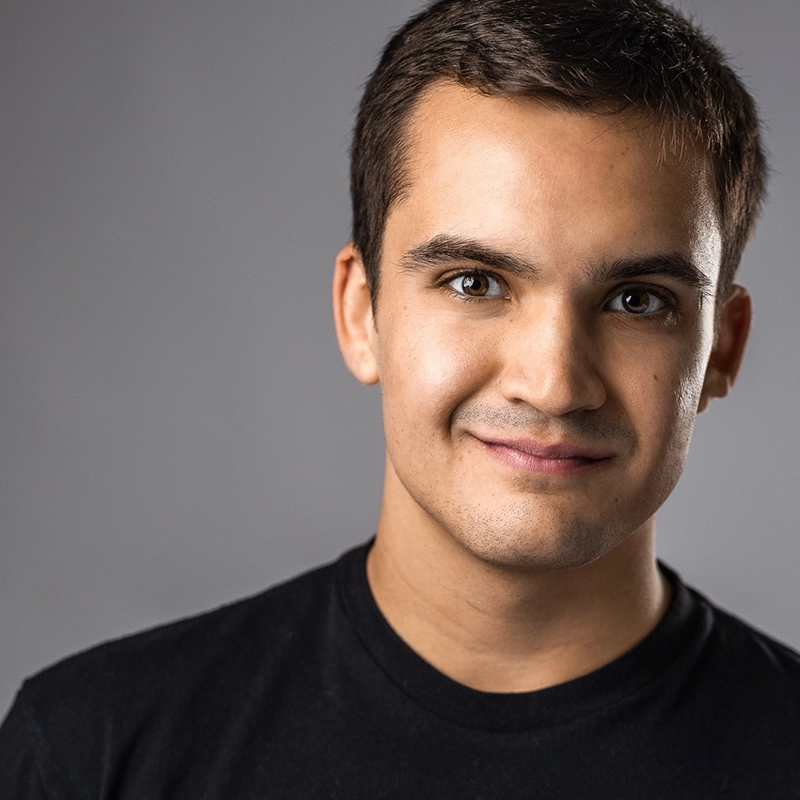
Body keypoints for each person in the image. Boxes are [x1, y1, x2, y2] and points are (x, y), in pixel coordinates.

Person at [1, 0, 799, 796]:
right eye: (475, 283)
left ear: (720, 350)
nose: (554, 385)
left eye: (637, 300)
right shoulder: (92, 752)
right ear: (362, 314)